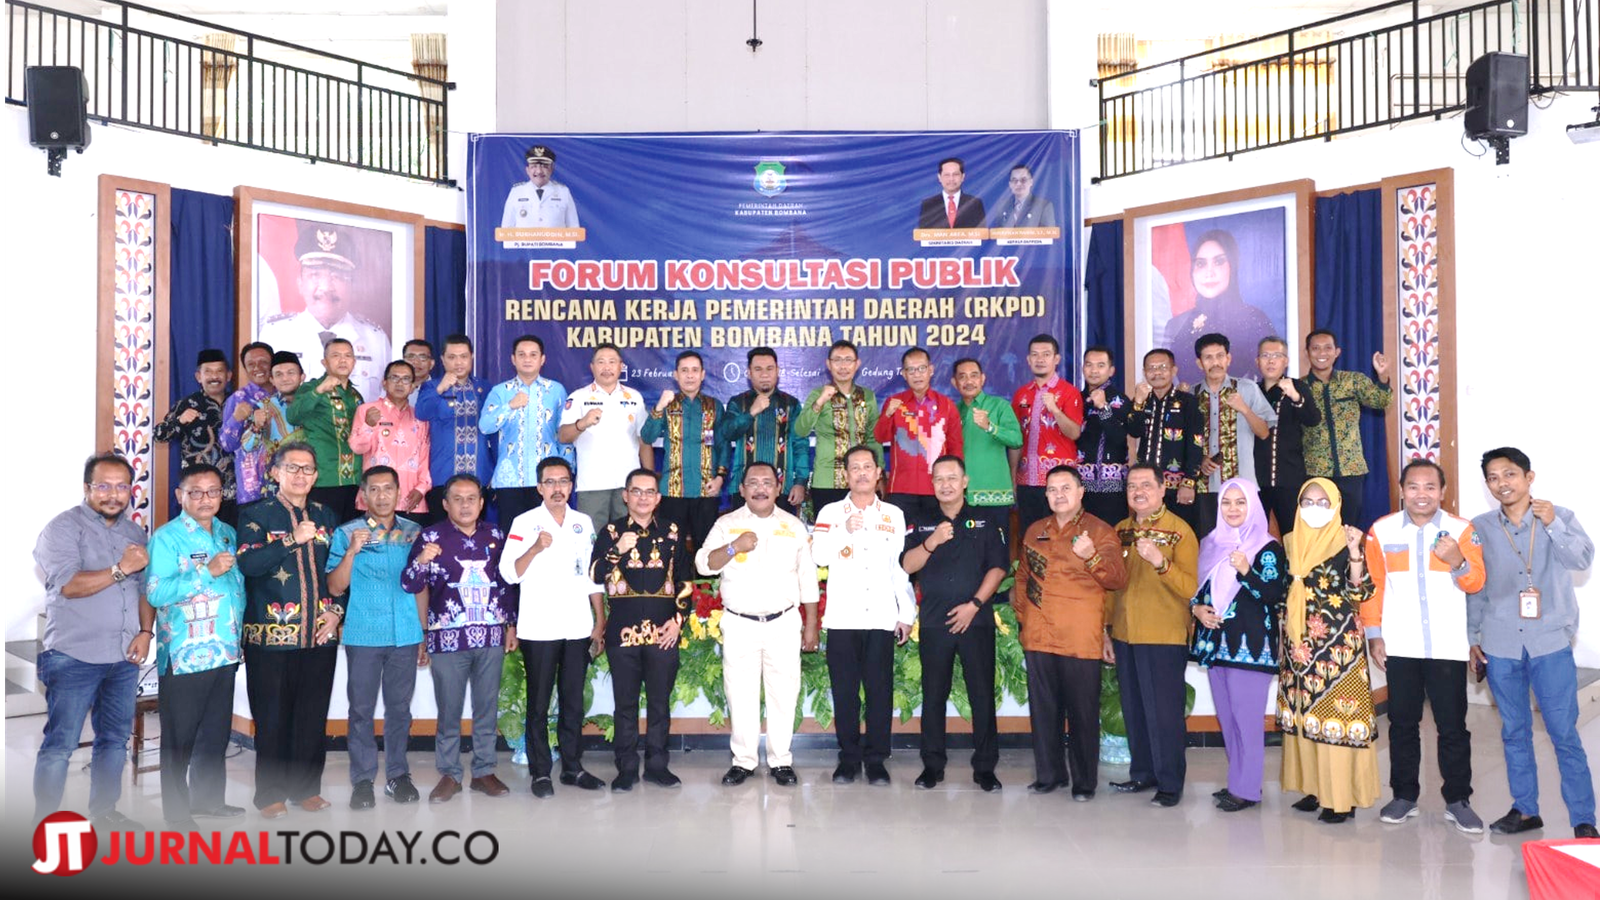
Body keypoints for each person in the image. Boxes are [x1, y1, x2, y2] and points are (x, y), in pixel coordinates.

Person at [1470, 447, 1597, 839]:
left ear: (1529, 477)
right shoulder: (1480, 527)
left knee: (1564, 733)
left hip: (1549, 643)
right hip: (1500, 642)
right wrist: (1473, 638)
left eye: (1509, 474)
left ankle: (1584, 819)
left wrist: (1554, 524)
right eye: (1493, 478)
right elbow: (1475, 585)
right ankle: (1526, 810)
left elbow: (1581, 560)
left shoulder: (1558, 516)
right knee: (1514, 731)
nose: (1502, 484)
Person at [1362, 459, 1486, 832]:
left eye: (1430, 487)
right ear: (1402, 490)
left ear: (1442, 491)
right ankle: (1404, 796)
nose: (1422, 494)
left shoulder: (1462, 530)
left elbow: (1476, 582)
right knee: (1402, 724)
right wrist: (1374, 634)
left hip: (1447, 645)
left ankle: (1458, 800)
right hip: (1400, 644)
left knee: (1452, 726)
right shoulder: (1380, 531)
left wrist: (1457, 560)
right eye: (1413, 486)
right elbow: (1373, 587)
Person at [31, 453, 152, 831]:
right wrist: (121, 568)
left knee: (114, 740)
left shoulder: (135, 534)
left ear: (131, 490)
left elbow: (144, 589)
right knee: (60, 745)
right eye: (103, 486)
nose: (113, 494)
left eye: (121, 486)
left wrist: (145, 632)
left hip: (123, 657)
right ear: (87, 488)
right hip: (74, 656)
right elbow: (68, 585)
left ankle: (104, 812)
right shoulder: (63, 529)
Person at [235, 441, 344, 819]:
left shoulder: (326, 515)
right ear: (275, 472)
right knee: (272, 717)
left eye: (307, 469)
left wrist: (337, 613)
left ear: (316, 476)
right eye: (292, 467)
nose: (300, 475)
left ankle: (306, 789)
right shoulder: (255, 515)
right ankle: (270, 794)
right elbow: (248, 565)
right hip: (270, 636)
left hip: (319, 633)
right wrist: (290, 540)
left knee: (312, 716)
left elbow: (339, 573)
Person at [697, 462, 820, 787]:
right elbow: (704, 564)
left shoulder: (793, 525)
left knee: (784, 694)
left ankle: (781, 761)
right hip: (741, 624)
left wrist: (811, 625)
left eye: (767, 482)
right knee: (740, 694)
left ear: (778, 489)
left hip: (783, 622)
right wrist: (733, 547)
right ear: (742, 490)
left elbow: (808, 578)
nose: (760, 489)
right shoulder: (727, 524)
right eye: (753, 483)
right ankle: (743, 761)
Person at [1012, 465, 1126, 800]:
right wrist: (1024, 618)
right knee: (1044, 711)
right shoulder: (1035, 530)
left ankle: (1084, 782)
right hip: (1039, 634)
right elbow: (1023, 578)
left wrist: (1091, 557)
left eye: (1065, 488)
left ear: (1080, 492)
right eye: (1052, 489)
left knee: (1082, 714)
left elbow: (1117, 579)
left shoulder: (1099, 530)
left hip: (1079, 637)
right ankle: (1049, 775)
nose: (1058, 495)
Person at [401, 474, 515, 804]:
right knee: (449, 711)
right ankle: (450, 774)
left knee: (486, 708)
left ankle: (484, 771)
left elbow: (507, 584)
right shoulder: (430, 536)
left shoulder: (496, 535)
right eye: (458, 499)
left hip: (491, 636)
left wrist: (510, 624)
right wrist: (421, 560)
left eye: (471, 498)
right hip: (447, 639)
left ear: (482, 503)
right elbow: (410, 584)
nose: (465, 505)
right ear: (445, 503)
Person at [500, 457, 608, 798]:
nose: (557, 488)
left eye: (563, 481)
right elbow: (509, 573)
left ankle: (573, 768)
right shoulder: (524, 522)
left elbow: (592, 575)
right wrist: (534, 548)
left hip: (577, 626)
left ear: (571, 486)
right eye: (550, 482)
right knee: (539, 703)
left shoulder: (582, 522)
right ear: (539, 487)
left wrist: (600, 620)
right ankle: (540, 772)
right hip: (540, 627)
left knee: (573, 701)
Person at [145, 463, 247, 828]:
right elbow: (156, 593)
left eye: (213, 491)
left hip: (225, 650)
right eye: (196, 492)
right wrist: (206, 572)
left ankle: (208, 801)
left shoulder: (227, 533)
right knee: (179, 739)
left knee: (214, 734)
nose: (206, 499)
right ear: (180, 496)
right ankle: (176, 813)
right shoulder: (166, 538)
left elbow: (237, 588)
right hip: (185, 654)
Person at [901, 456, 1009, 792]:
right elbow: (907, 565)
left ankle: (985, 768)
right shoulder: (921, 521)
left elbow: (998, 568)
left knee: (981, 695)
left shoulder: (987, 519)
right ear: (932, 484)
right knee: (933, 695)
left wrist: (974, 605)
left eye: (952, 478)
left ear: (965, 482)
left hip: (975, 620)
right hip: (935, 621)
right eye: (939, 479)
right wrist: (931, 542)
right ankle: (932, 766)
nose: (945, 484)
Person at [810, 446, 916, 786]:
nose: (861, 473)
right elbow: (818, 556)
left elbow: (900, 568)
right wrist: (844, 530)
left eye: (867, 467)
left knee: (879, 692)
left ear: (878, 472)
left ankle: (876, 759)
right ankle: (849, 759)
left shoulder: (893, 514)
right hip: (843, 618)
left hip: (882, 616)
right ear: (846, 475)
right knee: (845, 693)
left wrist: (906, 612)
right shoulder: (830, 512)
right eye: (854, 468)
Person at [1279, 478, 1379, 824]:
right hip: (1298, 650)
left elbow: (1361, 593)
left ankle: (1341, 800)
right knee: (1304, 720)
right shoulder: (1290, 542)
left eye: (1324, 502)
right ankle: (1315, 789)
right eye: (1307, 501)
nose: (1315, 508)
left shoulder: (1345, 540)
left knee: (1337, 722)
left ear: (1336, 504)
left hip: (1338, 652)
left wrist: (1355, 554)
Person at [326, 465, 425, 810]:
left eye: (388, 489)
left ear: (399, 493)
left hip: (405, 634)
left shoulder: (414, 532)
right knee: (361, 710)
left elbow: (420, 584)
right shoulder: (347, 532)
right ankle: (363, 780)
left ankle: (398, 776)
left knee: (400, 709)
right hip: (364, 633)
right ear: (363, 495)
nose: (382, 496)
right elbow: (335, 586)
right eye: (374, 489)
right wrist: (351, 551)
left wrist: (423, 632)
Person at [590, 469, 695, 792]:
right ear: (625, 496)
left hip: (664, 631)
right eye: (636, 491)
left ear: (658, 498)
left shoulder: (673, 531)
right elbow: (594, 574)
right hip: (622, 631)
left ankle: (657, 766)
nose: (643, 497)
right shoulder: (611, 532)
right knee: (625, 704)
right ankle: (625, 768)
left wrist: (678, 622)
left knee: (660, 703)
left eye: (649, 491)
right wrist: (617, 549)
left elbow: (686, 582)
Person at [1188, 479, 1288, 813]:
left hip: (1251, 647)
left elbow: (1273, 594)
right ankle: (1238, 782)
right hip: (1216, 644)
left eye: (1240, 502)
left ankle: (1247, 789)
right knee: (1228, 719)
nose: (1233, 509)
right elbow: (1200, 590)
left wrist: (1246, 570)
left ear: (1253, 506)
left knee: (1247, 721)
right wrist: (1197, 609)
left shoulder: (1267, 547)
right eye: (1227, 502)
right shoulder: (1211, 543)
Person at [1109, 462, 1199, 807]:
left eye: (1146, 485)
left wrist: (1162, 563)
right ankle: (1143, 773)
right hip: (1125, 633)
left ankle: (1170, 783)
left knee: (1165, 714)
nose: (1138, 492)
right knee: (1134, 709)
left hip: (1163, 635)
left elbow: (1191, 588)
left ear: (1163, 489)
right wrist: (1106, 630)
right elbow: (1110, 588)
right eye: (1132, 486)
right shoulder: (1120, 530)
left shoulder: (1180, 531)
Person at [258, 221, 390, 403]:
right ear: (300, 283)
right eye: (315, 275)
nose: (326, 287)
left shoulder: (375, 339)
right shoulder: (275, 334)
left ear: (352, 286)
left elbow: (384, 400)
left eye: (337, 276)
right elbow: (263, 393)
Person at [1301, 328, 1393, 528]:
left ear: (1337, 352)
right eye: (1315, 348)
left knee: (1348, 528)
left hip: (1350, 469)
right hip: (1315, 471)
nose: (1322, 353)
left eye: (1328, 348)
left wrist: (1383, 376)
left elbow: (1381, 401)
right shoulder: (1300, 387)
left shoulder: (1353, 381)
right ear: (1307, 353)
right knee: (1319, 529)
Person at [1162, 230, 1276, 387]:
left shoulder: (1254, 320)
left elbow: (1271, 382)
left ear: (1232, 267)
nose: (1209, 272)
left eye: (1219, 262)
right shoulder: (1175, 325)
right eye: (1201, 264)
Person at [1189, 334, 1275, 538]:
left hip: (1242, 485)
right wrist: (1201, 459)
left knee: (1246, 544)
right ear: (1199, 363)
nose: (1215, 362)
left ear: (1229, 358)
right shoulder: (1191, 394)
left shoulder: (1247, 388)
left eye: (1220, 356)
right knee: (1208, 543)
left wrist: (1244, 409)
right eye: (1208, 357)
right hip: (1205, 487)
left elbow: (1264, 433)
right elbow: (1184, 441)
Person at [644, 350, 730, 552]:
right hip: (672, 491)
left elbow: (723, 444)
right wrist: (659, 407)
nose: (690, 375)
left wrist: (720, 478)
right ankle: (676, 576)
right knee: (672, 550)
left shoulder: (714, 406)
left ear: (703, 374)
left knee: (707, 549)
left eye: (694, 370)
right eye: (684, 370)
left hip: (706, 490)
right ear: (676, 375)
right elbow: (647, 436)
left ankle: (704, 576)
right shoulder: (667, 404)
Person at [558, 343, 650, 527]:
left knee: (629, 536)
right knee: (593, 539)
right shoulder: (579, 397)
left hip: (628, 484)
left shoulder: (634, 397)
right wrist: (582, 423)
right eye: (601, 362)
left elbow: (644, 440)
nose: (607, 367)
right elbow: (563, 436)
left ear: (621, 366)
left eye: (612, 362)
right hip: (593, 485)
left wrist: (649, 478)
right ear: (592, 367)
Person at [482, 335, 569, 528]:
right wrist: (510, 406)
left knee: (549, 534)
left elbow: (564, 434)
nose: (527, 359)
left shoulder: (556, 390)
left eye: (533, 355)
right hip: (510, 480)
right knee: (513, 536)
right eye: (522, 355)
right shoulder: (500, 391)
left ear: (542, 359)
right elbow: (485, 426)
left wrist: (567, 471)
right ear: (513, 359)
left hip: (547, 481)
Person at [874, 347, 964, 521]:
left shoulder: (946, 405)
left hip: (937, 488)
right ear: (904, 374)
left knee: (939, 534)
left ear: (931, 370)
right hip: (901, 487)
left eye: (922, 368)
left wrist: (955, 482)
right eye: (911, 370)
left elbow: (956, 447)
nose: (917, 375)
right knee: (901, 536)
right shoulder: (894, 403)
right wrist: (887, 414)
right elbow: (880, 437)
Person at [414, 333, 494, 523]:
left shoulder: (484, 388)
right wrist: (440, 388)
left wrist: (495, 471)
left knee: (477, 533)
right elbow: (421, 413)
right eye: (452, 357)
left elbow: (495, 432)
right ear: (442, 359)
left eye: (463, 356)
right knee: (442, 533)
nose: (458, 362)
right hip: (443, 476)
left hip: (479, 476)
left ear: (471, 357)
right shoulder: (431, 387)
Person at [721, 346, 809, 514]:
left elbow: (800, 444)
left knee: (782, 531)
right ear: (749, 373)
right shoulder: (738, 402)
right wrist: (751, 412)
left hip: (782, 488)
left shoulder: (791, 404)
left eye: (769, 368)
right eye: (758, 369)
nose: (764, 374)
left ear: (778, 371)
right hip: (744, 488)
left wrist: (800, 482)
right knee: (743, 531)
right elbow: (727, 433)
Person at [1011, 334, 1085, 532]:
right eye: (1035, 355)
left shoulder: (1069, 392)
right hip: (1027, 480)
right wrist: (1013, 476)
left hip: (1059, 482)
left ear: (1056, 359)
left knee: (1060, 534)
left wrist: (1055, 410)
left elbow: (1074, 433)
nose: (1040, 359)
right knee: (1030, 535)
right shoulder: (1021, 394)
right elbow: (1016, 440)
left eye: (1046, 354)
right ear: (1028, 360)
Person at [154, 348, 237, 522]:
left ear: (228, 376)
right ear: (199, 376)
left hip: (231, 492)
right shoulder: (188, 404)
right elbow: (159, 435)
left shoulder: (238, 403)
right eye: (208, 372)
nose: (214, 377)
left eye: (219, 371)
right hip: (197, 493)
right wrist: (180, 421)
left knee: (229, 536)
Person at [1127, 348, 1204, 532]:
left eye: (1162, 367)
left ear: (1173, 370)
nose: (1157, 373)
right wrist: (1138, 403)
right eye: (1151, 368)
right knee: (1145, 533)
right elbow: (1134, 431)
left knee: (1179, 534)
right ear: (1144, 372)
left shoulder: (1187, 402)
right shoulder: (1142, 401)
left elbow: (1196, 444)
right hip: (1146, 487)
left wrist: (1189, 482)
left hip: (1177, 487)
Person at [797, 340, 880, 511]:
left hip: (861, 479)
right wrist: (820, 401)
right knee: (828, 527)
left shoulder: (867, 396)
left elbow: (874, 438)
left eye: (848, 360)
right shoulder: (817, 394)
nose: (843, 366)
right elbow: (801, 430)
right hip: (826, 480)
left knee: (862, 525)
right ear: (829, 364)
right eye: (837, 360)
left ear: (857, 364)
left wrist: (880, 474)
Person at [287, 338, 364, 522]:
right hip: (325, 478)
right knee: (324, 533)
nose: (343, 360)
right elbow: (293, 416)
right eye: (336, 355)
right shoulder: (312, 388)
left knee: (351, 533)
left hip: (355, 479)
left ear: (354, 361)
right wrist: (319, 391)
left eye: (348, 356)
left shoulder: (356, 395)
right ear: (324, 362)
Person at [1254, 335, 1319, 535]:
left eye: (1277, 356)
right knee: (1254, 535)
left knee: (1292, 535)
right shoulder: (1251, 391)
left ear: (1286, 361)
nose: (1271, 361)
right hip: (1256, 479)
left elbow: (1313, 419)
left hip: (1289, 477)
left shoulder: (1297, 387)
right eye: (1265, 356)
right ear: (1257, 361)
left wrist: (1295, 397)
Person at [348, 360, 431, 516]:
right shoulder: (367, 410)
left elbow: (424, 459)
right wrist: (368, 425)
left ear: (412, 387)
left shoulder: (420, 417)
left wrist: (421, 489)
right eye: (394, 378)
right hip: (375, 500)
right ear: (384, 383)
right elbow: (357, 447)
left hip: (410, 500)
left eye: (406, 379)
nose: (400, 383)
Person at [953, 357, 1023, 541]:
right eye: (962, 376)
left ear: (982, 379)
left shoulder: (999, 406)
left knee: (997, 548)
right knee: (966, 548)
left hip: (994, 494)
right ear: (954, 382)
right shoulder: (952, 410)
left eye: (974, 375)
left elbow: (1016, 440)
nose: (969, 381)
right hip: (961, 495)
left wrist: (990, 427)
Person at [239, 350, 307, 498]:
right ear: (272, 380)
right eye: (279, 374)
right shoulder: (262, 407)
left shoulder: (315, 404)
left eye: (291, 373)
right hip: (277, 483)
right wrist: (256, 426)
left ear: (302, 376)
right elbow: (247, 446)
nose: (285, 378)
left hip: (311, 479)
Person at [1078, 345, 1132, 526]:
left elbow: (1119, 436)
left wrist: (1103, 408)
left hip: (1111, 486)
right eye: (1089, 365)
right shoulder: (1076, 399)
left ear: (1111, 371)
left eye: (1100, 365)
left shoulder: (1119, 400)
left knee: (1110, 536)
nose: (1094, 370)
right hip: (1079, 485)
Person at [220, 341, 276, 509]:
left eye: (263, 362)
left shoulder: (285, 396)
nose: (257, 367)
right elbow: (226, 445)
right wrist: (236, 419)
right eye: (251, 364)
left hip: (287, 486)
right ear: (245, 369)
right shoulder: (238, 399)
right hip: (252, 488)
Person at [500, 144, 581, 229]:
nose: (539, 171)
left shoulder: (563, 192)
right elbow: (506, 229)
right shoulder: (516, 192)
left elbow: (574, 229)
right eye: (534, 166)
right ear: (527, 170)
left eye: (544, 166)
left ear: (552, 169)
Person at [917, 156, 986, 229]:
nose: (951, 179)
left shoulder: (975, 203)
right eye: (947, 175)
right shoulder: (928, 205)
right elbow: (923, 233)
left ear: (962, 177)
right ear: (939, 177)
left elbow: (981, 232)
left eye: (955, 174)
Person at [989, 164, 1056, 228]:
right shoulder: (1002, 206)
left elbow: (1049, 234)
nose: (1018, 184)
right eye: (1014, 180)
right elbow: (999, 232)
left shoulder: (1044, 206)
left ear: (1031, 182)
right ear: (1010, 184)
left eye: (1023, 180)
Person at [401, 338, 434, 405]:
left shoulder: (440, 389)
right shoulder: (392, 389)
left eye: (422, 357)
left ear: (431, 364)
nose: (416, 362)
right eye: (411, 357)